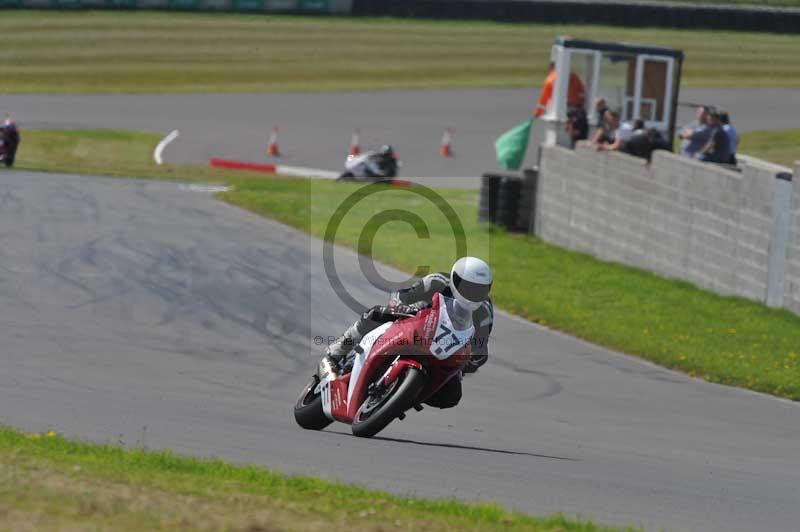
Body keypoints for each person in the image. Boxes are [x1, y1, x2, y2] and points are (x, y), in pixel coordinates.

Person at [324, 257, 494, 409]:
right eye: (468, 286)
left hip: (445, 348)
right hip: (413, 323)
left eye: (479, 289)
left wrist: (467, 361)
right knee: (375, 314)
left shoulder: (485, 310)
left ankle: (406, 395)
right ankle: (336, 352)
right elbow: (402, 294)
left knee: (451, 396)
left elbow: (480, 347)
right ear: (455, 279)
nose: (472, 293)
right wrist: (401, 306)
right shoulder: (438, 281)